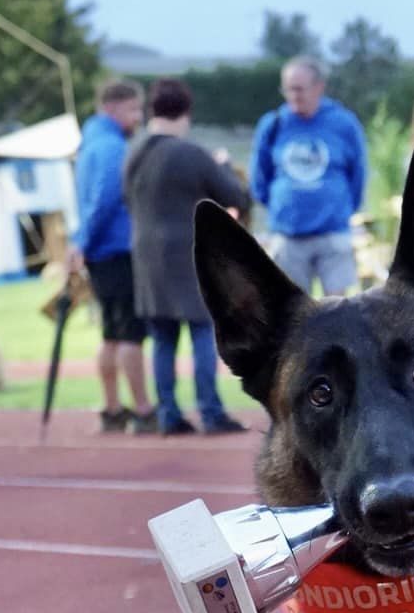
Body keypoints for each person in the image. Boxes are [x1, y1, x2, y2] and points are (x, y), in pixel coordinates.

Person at [123, 78, 251, 436]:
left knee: (163, 340)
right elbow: (235, 196)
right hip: (187, 257)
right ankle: (210, 412)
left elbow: (125, 200)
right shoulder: (190, 154)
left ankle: (169, 414)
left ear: (152, 109)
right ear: (186, 112)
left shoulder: (133, 154)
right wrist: (223, 164)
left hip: (146, 257)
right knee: (202, 332)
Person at [70, 79, 156, 433]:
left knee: (109, 333)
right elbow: (104, 199)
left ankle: (111, 408)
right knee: (129, 333)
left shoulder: (88, 144)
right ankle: (142, 409)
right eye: (134, 109)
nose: (139, 117)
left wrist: (82, 242)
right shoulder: (111, 148)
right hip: (117, 248)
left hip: (99, 251)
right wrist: (85, 240)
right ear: (113, 107)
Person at [250, 57, 366, 295]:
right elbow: (260, 176)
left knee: (337, 310)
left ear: (318, 87)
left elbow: (358, 174)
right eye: (288, 89)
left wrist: (342, 209)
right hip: (289, 234)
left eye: (299, 89)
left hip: (332, 232)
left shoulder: (343, 124)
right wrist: (278, 204)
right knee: (292, 312)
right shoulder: (274, 124)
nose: (294, 95)